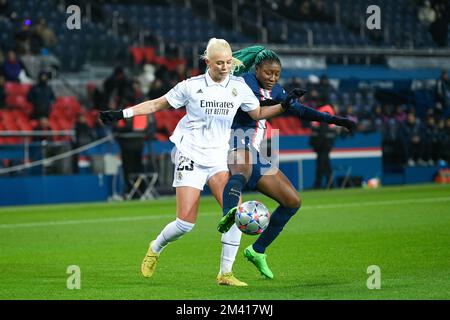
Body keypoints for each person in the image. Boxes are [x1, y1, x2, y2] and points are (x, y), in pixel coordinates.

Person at [99, 38, 306, 286]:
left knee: (234, 214)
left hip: (219, 157)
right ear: (207, 62)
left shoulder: (239, 87)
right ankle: (155, 247)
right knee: (185, 224)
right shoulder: (191, 86)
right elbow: (156, 104)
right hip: (191, 156)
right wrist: (123, 114)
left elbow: (258, 113)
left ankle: (225, 274)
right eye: (219, 63)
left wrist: (284, 105)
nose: (225, 67)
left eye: (229, 62)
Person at [216, 46, 356, 279]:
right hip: (234, 142)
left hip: (255, 152)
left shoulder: (276, 90)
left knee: (292, 201)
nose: (272, 78)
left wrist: (334, 120)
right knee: (242, 168)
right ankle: (230, 212)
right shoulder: (241, 83)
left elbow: (299, 110)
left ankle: (257, 250)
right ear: (257, 68)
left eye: (277, 74)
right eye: (268, 73)